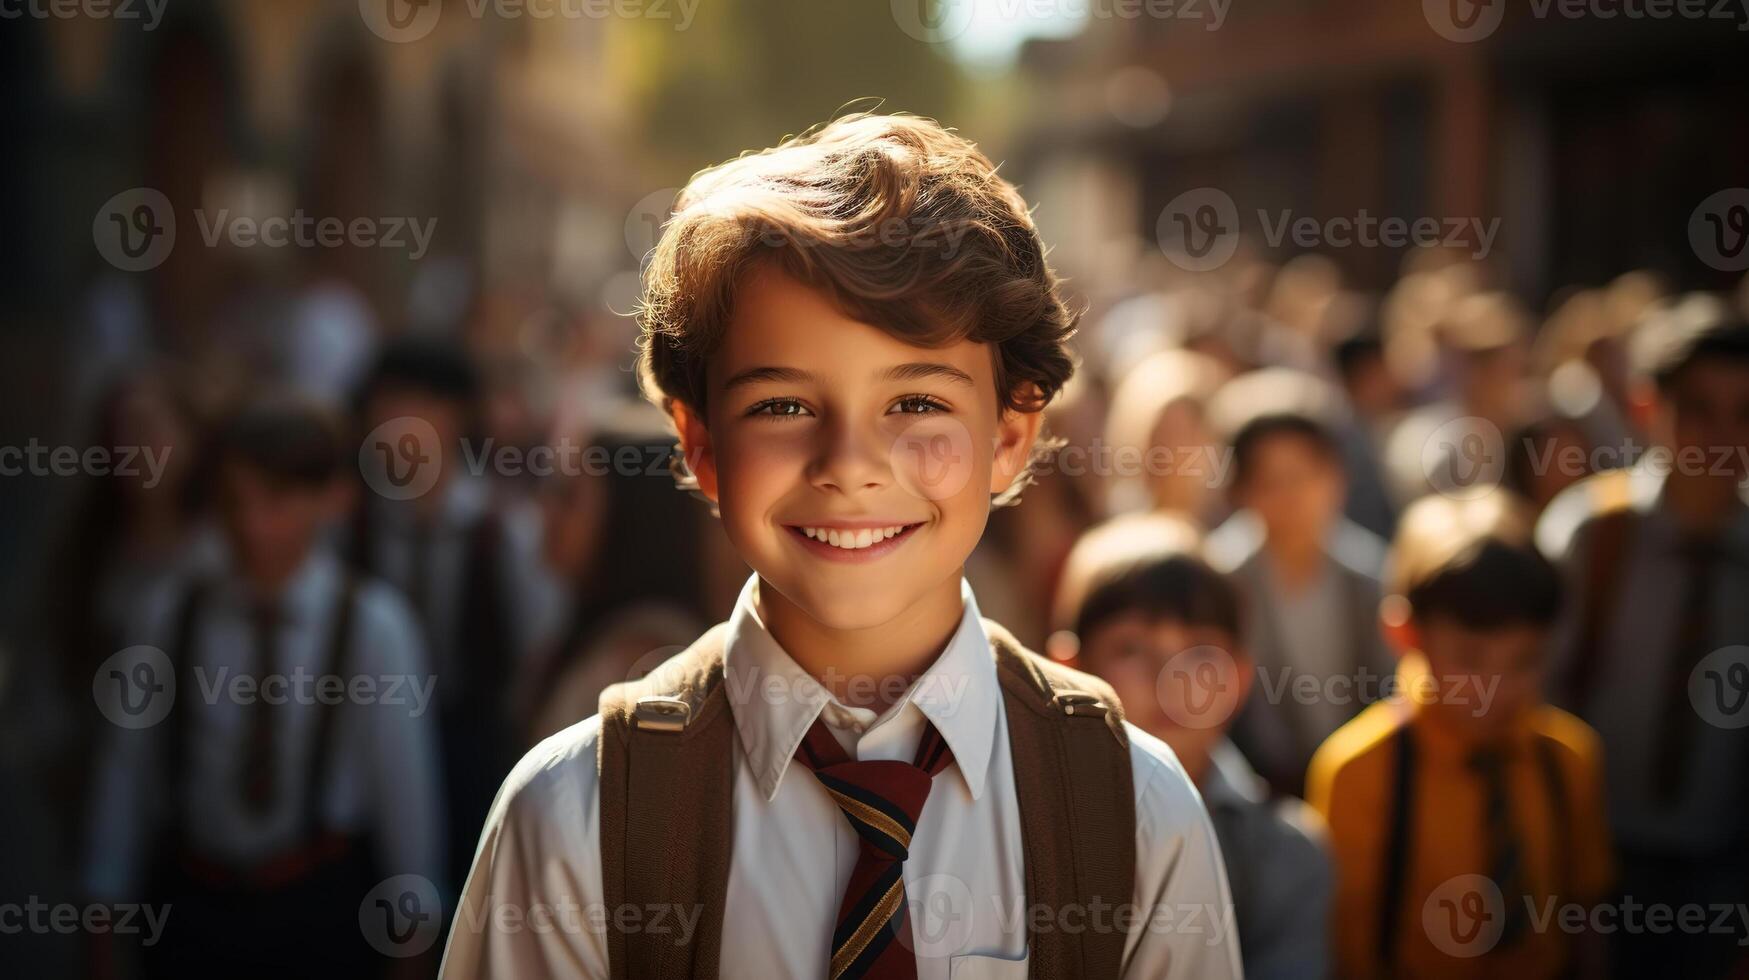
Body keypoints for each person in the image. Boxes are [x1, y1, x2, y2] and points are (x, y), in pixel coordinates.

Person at [441, 112, 1240, 979]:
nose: (850, 467)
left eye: (916, 405)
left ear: (1010, 434)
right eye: (782, 406)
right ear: (700, 442)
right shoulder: (575, 822)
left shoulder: (1134, 815)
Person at [84, 395, 444, 979]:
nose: (252, 526)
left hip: (320, 905)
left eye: (277, 501)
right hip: (190, 903)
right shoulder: (170, 613)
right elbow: (124, 775)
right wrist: (103, 922)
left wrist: (413, 940)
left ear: (334, 499)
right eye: (234, 503)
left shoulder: (375, 626)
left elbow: (405, 793)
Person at [1308, 492, 1612, 980]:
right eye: (1470, 660)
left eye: (1524, 661)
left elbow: (1586, 918)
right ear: (1406, 634)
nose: (1497, 688)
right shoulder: (1359, 771)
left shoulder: (1569, 757)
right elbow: (1347, 949)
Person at [1537, 295, 1749, 978]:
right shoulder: (1592, 535)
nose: (1720, 437)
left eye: (1742, 415)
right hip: (1590, 867)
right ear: (1645, 406)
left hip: (1722, 871)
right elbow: (1533, 697)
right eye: (1696, 409)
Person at [1050, 511, 1334, 980]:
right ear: (1068, 670)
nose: (1171, 679)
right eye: (1131, 650)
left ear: (1241, 675)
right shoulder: (1023, 816)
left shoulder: (1283, 850)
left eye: (1201, 652)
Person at [347, 335, 557, 882]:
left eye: (424, 403)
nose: (404, 422)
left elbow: (539, 647)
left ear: (460, 414)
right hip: (361, 749)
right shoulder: (350, 532)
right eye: (389, 403)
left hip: (473, 747)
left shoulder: (502, 531)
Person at [1205, 368, 1395, 796]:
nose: (1290, 497)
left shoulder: (1371, 575)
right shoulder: (1220, 578)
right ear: (1240, 491)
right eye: (1270, 481)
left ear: (1337, 478)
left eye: (1303, 476)